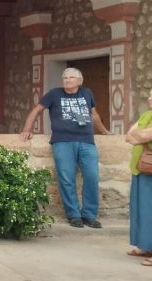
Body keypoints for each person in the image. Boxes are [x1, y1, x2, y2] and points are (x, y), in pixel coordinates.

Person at [20, 67, 110, 228]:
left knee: (92, 176)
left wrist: (103, 131)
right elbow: (36, 110)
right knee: (67, 179)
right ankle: (73, 214)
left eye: (71, 77)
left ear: (79, 81)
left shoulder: (86, 93)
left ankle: (89, 215)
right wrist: (27, 128)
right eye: (65, 78)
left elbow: (93, 115)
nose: (67, 80)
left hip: (87, 141)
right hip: (63, 141)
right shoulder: (54, 94)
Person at [126, 89, 152, 265]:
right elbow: (129, 136)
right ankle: (146, 246)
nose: (149, 98)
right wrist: (140, 135)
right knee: (143, 210)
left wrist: (140, 135)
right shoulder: (147, 115)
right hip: (141, 168)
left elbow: (140, 136)